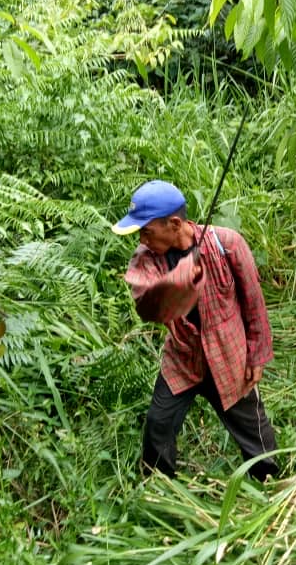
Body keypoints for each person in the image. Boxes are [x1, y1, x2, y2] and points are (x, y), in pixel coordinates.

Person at [112, 179, 278, 481]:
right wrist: (180, 279)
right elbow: (147, 306)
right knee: (158, 422)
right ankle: (159, 486)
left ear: (174, 223)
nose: (142, 239)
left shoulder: (227, 244)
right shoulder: (144, 259)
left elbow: (253, 302)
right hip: (183, 358)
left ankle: (268, 481)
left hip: (229, 356)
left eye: (146, 230)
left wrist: (256, 356)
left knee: (252, 425)